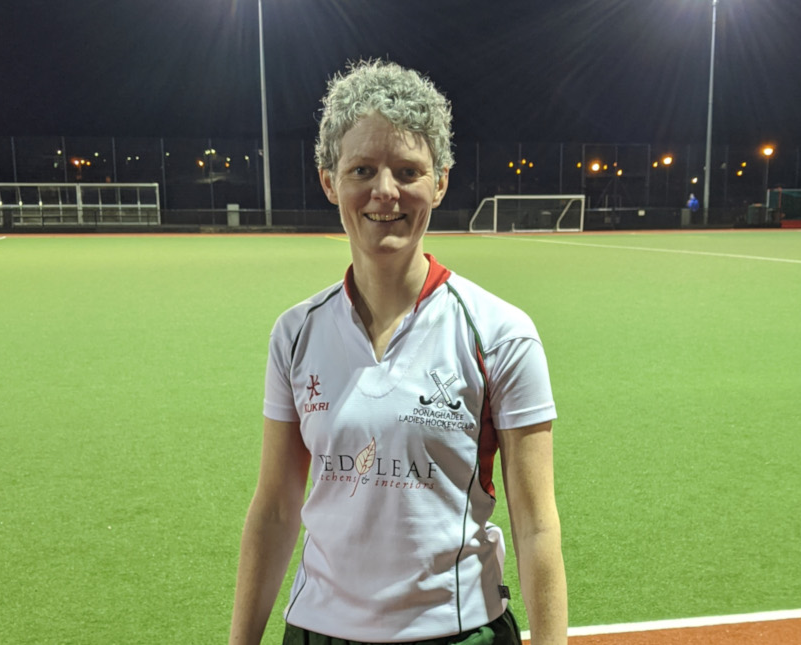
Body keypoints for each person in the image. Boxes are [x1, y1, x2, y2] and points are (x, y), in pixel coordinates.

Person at [229, 59, 566, 645]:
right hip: (318, 632)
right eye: (362, 169)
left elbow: (536, 524)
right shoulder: (296, 333)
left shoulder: (500, 333)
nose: (385, 191)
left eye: (408, 171)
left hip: (458, 632)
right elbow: (276, 508)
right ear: (329, 181)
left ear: (440, 182)